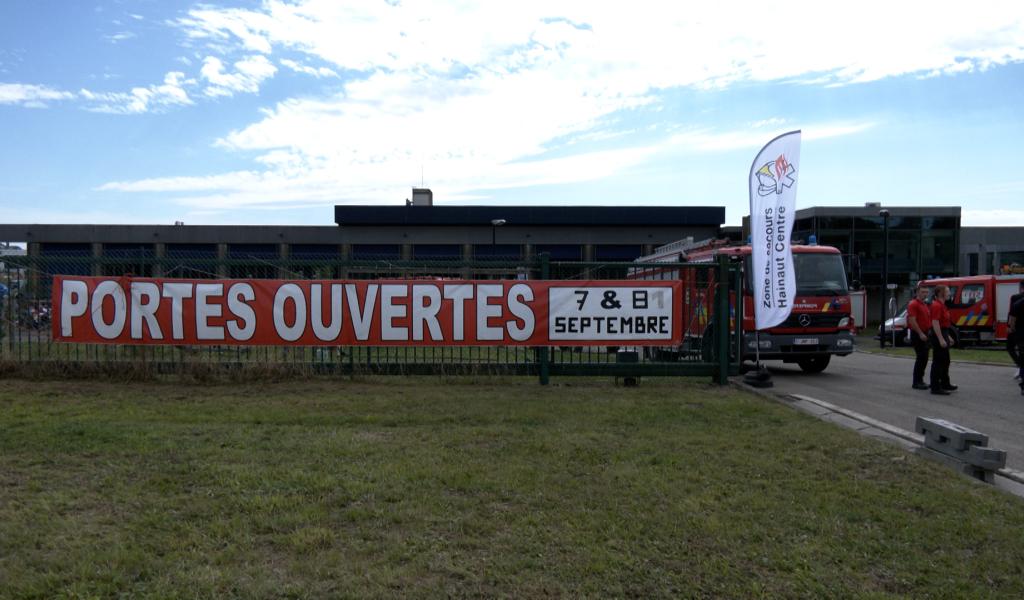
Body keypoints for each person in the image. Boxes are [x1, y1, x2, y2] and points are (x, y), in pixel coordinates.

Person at [928, 284, 957, 395]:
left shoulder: (942, 305)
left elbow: (944, 324)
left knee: (945, 361)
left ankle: (945, 383)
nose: (949, 293)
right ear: (941, 293)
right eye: (948, 291)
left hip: (943, 332)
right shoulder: (936, 306)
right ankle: (935, 386)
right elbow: (935, 323)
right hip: (938, 335)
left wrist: (948, 337)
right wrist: (941, 339)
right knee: (938, 362)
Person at [907, 285, 931, 390]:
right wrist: (920, 333)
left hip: (925, 332)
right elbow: (912, 320)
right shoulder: (913, 304)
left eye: (926, 292)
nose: (925, 294)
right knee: (921, 358)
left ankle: (920, 380)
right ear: (917, 293)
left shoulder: (924, 304)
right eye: (923, 292)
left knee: (924, 358)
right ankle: (916, 382)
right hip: (918, 334)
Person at [1007, 280, 1024, 382]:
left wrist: (1010, 327)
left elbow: (1012, 315)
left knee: (1011, 347)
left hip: (1019, 332)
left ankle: (1020, 368)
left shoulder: (1016, 299)